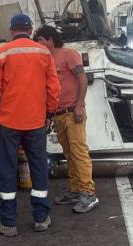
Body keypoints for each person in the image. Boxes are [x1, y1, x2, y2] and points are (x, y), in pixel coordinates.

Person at [0, 13, 60, 237]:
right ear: (30, 30)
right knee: (38, 167)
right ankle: (41, 218)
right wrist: (49, 113)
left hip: (9, 120)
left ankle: (8, 223)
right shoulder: (44, 53)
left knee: (7, 168)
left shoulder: (2, 53)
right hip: (36, 120)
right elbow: (53, 89)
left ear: (11, 30)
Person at [34, 26, 99, 213]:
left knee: (79, 152)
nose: (38, 44)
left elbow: (82, 79)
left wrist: (79, 105)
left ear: (50, 40)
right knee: (69, 153)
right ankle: (77, 189)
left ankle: (89, 193)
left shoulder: (69, 54)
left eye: (40, 40)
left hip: (73, 112)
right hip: (59, 114)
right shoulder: (45, 59)